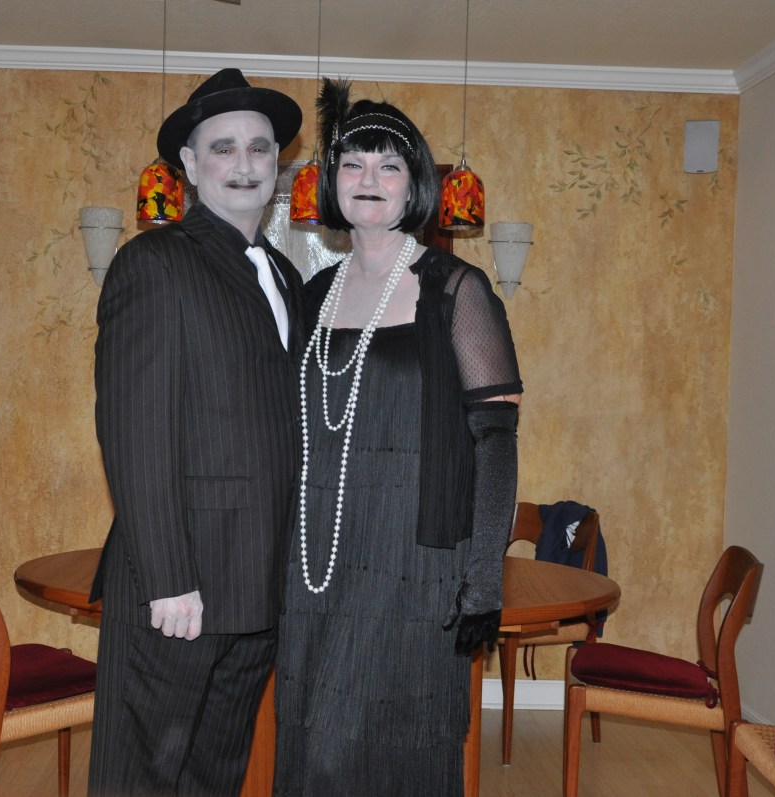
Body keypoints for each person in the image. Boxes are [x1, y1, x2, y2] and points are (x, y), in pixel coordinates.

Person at [272, 80, 523, 796]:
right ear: (331, 181)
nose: (369, 179)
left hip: (415, 562)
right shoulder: (312, 295)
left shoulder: (457, 290)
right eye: (353, 164)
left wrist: (484, 579)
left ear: (415, 185)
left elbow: (496, 440)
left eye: (389, 166)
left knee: (392, 751)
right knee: (311, 744)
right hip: (315, 561)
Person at [89, 68, 304, 796]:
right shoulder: (153, 262)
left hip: (260, 586)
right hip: (179, 590)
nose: (244, 164)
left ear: (278, 164)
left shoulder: (284, 275)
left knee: (215, 775)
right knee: (141, 778)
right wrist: (169, 579)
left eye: (260, 148)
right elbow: (134, 432)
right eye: (223, 148)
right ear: (188, 163)